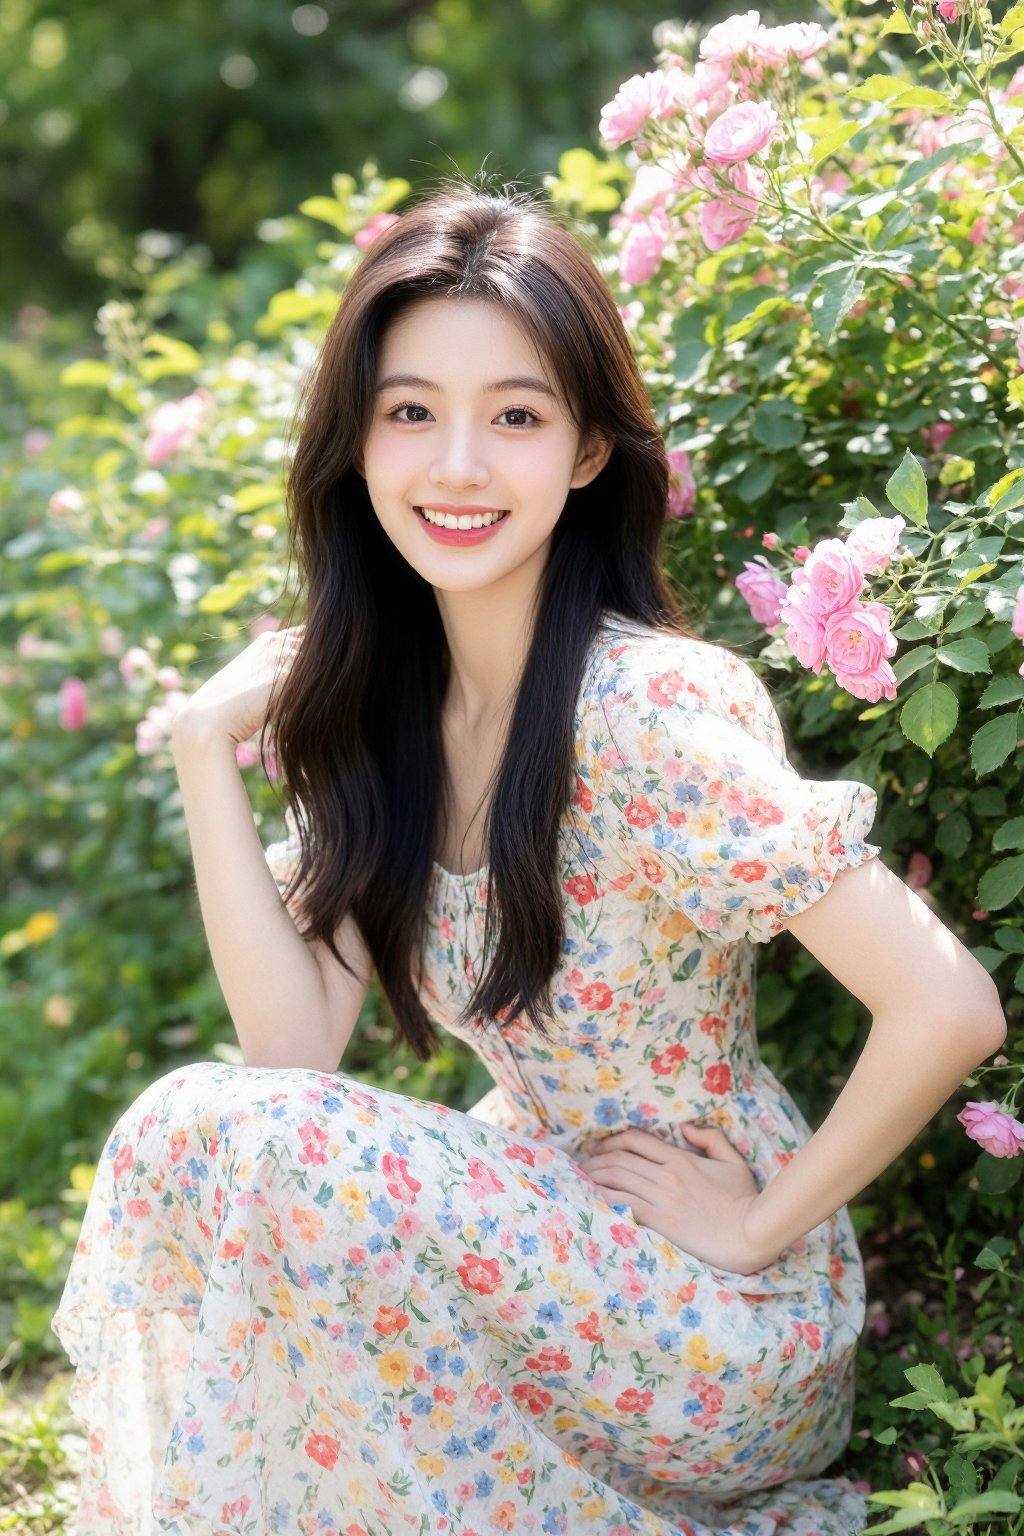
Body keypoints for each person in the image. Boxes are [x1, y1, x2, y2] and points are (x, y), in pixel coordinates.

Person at [50, 177, 1007, 1536]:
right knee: (198, 1130)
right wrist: (207, 745)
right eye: (410, 413)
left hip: (716, 1311)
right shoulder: (394, 720)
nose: (456, 466)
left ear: (587, 452)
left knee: (236, 1133)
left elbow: (949, 1005)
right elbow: (292, 1048)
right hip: (541, 1257)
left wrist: (755, 1226)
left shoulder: (643, 712)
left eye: (514, 417)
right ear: (357, 443)